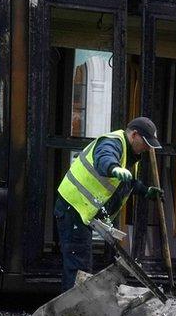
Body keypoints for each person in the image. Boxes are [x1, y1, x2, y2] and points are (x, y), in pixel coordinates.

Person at [53, 117, 164, 290]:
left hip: (81, 211)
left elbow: (127, 183)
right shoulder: (113, 142)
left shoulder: (130, 155)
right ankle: (70, 314)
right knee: (78, 268)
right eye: (146, 143)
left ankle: (74, 311)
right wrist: (114, 168)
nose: (148, 148)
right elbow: (104, 159)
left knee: (80, 266)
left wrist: (145, 191)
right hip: (73, 207)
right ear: (134, 135)